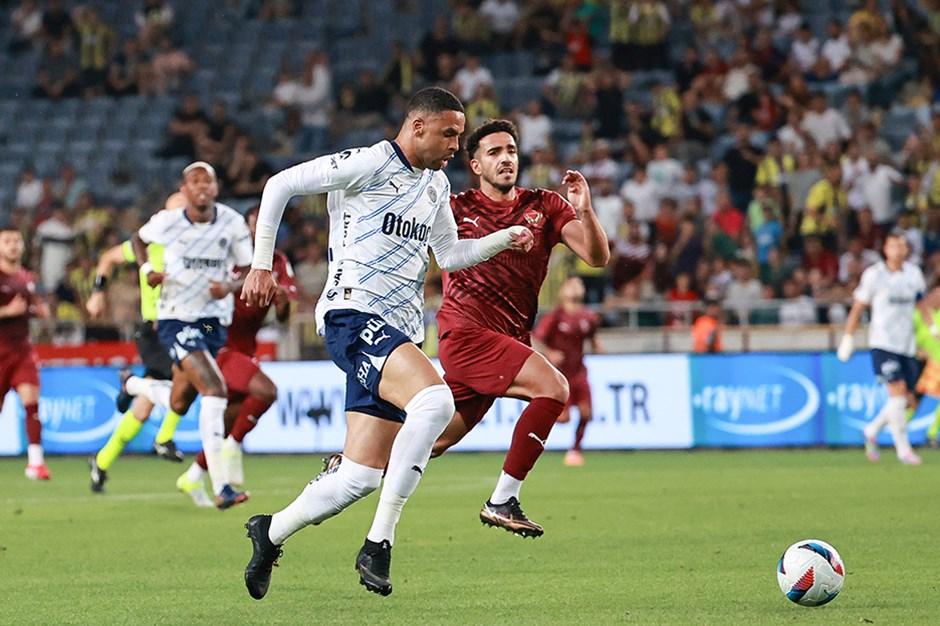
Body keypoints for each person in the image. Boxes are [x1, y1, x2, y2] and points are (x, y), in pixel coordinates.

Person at [240, 88, 533, 599]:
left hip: (396, 329)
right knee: (436, 399)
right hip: (353, 316)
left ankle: (270, 532)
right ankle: (379, 542)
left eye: (460, 136)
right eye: (449, 134)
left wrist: (503, 239)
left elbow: (451, 254)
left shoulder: (436, 185)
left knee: (357, 477)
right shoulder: (371, 163)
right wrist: (262, 264)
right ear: (417, 127)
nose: (455, 145)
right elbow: (280, 184)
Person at [429, 119, 609, 537]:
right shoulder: (455, 209)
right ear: (475, 165)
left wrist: (583, 208)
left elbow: (596, 257)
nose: (506, 158)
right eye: (494, 153)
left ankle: (353, 463)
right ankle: (502, 500)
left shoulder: (544, 206)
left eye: (510, 150)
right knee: (554, 388)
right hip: (465, 334)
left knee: (433, 441)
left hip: (506, 339)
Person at [125, 161, 254, 506]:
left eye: (207, 181)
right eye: (193, 181)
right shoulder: (168, 222)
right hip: (176, 319)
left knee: (181, 400)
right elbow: (137, 239)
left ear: (215, 188)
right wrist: (148, 268)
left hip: (212, 324)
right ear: (184, 190)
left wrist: (228, 285)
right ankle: (222, 486)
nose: (200, 187)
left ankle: (133, 385)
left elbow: (248, 271)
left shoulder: (231, 222)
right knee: (214, 389)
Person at [175, 205, 297, 503]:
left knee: (231, 415)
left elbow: (284, 319)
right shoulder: (226, 256)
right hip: (217, 344)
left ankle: (192, 477)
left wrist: (281, 302)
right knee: (266, 391)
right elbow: (201, 297)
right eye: (255, 225)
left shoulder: (279, 262)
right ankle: (233, 446)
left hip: (245, 347)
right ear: (244, 228)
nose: (259, 231)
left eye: (267, 224)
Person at [87, 192, 190, 494]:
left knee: (143, 409)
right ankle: (163, 438)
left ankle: (101, 462)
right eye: (174, 214)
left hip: (184, 328)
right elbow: (107, 258)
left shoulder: (199, 248)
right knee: (188, 377)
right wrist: (97, 292)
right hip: (154, 332)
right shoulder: (150, 244)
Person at [837, 231, 925, 465]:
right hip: (883, 344)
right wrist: (848, 337)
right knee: (897, 395)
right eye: (894, 246)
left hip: (907, 345)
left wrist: (931, 331)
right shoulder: (874, 275)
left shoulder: (914, 274)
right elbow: (858, 307)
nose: (899, 250)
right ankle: (903, 450)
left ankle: (872, 429)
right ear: (885, 249)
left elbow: (921, 304)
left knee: (905, 400)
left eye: (903, 246)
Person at [532, 276, 603, 467]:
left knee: (586, 413)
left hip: (579, 372)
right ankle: (535, 432)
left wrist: (598, 347)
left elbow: (592, 337)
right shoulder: (555, 316)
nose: (575, 287)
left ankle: (575, 450)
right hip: (560, 375)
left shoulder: (588, 317)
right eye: (571, 284)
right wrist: (550, 353)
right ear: (562, 292)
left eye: (579, 284)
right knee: (563, 418)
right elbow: (536, 338)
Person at [0, 226, 51, 479]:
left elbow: (32, 307)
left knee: (32, 405)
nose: (13, 245)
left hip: (22, 351)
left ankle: (35, 463)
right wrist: (7, 312)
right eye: (7, 241)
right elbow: (12, 311)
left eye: (16, 241)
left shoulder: (26, 277)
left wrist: (39, 311)